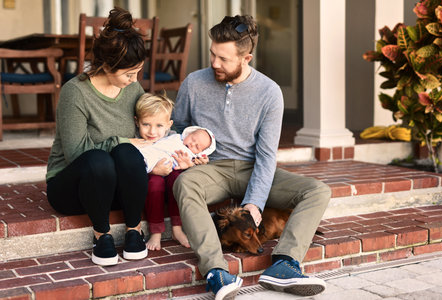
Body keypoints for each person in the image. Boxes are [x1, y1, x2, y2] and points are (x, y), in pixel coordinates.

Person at [173, 15, 331, 299]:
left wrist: (255, 202)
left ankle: (284, 264)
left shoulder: (269, 92)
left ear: (247, 57)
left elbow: (267, 155)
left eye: (223, 58)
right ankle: (216, 272)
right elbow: (177, 127)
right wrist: (187, 152)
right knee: (185, 184)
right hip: (213, 168)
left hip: (253, 168)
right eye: (212, 54)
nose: (214, 63)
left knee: (317, 191)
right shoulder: (194, 83)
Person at [46, 7, 150, 267]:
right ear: (106, 65)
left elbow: (146, 134)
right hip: (73, 187)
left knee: (127, 154)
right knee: (100, 159)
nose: (134, 80)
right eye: (128, 73)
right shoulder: (75, 92)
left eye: (137, 72)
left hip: (113, 187)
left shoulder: (133, 87)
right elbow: (77, 154)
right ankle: (101, 236)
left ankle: (134, 231)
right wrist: (121, 141)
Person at [133, 93, 216, 251]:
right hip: (151, 177)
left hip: (171, 177)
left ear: (169, 124)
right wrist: (154, 169)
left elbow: (192, 157)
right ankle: (156, 232)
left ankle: (177, 229)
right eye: (146, 124)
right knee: (154, 183)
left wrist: (189, 165)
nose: (152, 131)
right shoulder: (137, 140)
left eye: (159, 126)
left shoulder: (175, 139)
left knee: (178, 179)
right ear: (137, 122)